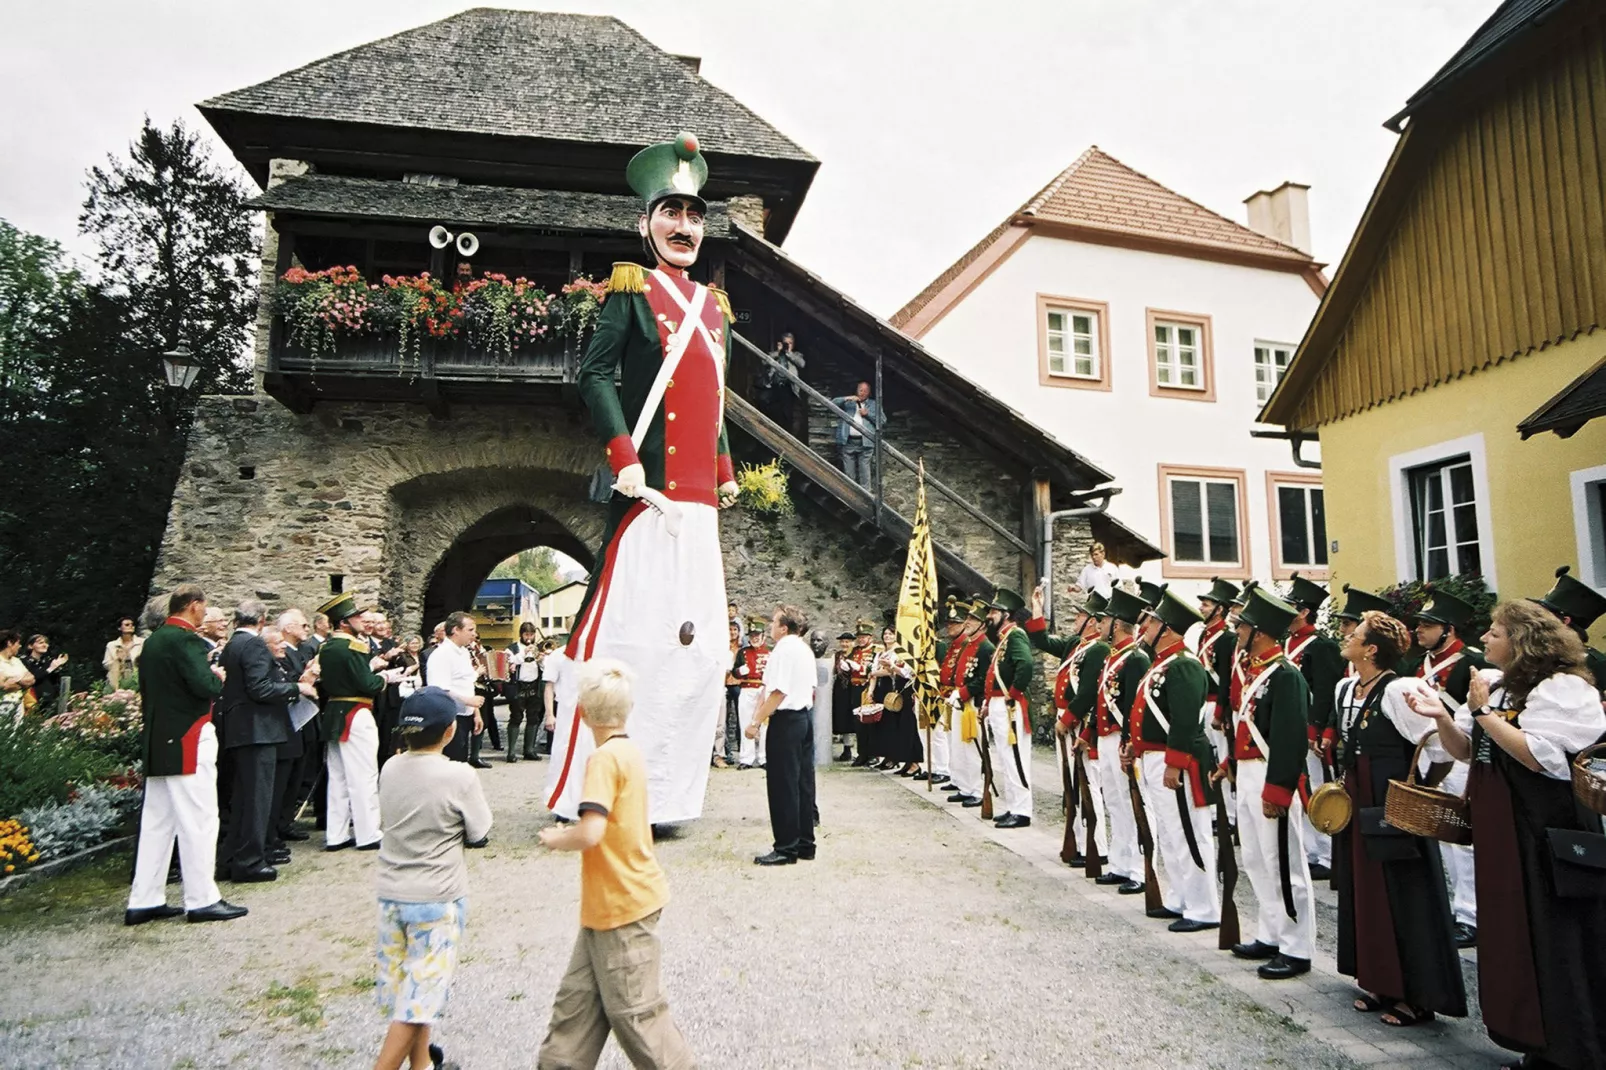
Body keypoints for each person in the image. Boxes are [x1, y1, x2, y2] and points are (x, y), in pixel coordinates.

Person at [560, 131, 736, 827]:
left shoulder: (715, 306)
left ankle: (666, 794)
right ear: (646, 224)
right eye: (671, 212)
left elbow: (714, 394)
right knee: (629, 646)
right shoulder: (631, 291)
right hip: (649, 498)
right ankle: (601, 790)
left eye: (694, 215)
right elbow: (595, 373)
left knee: (696, 655)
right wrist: (622, 453)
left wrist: (723, 467)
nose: (684, 226)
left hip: (700, 506)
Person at [1409, 601, 1606, 1069]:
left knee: (1556, 937)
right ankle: (1534, 1040)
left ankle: (1574, 1048)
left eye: (1495, 632)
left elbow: (1544, 759)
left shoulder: (1561, 688)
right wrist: (1441, 715)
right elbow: (1463, 750)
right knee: (1516, 934)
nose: (1486, 639)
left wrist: (1482, 715)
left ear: (1522, 641)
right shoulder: (1496, 687)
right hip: (1503, 832)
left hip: (1544, 830)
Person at [536, 659, 695, 1069]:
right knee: (577, 1006)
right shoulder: (628, 752)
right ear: (627, 711)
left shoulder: (603, 760)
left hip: (621, 903)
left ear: (583, 713)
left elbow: (590, 832)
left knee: (636, 1014)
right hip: (608, 904)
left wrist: (557, 838)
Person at [1329, 610, 1467, 1029]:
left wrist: (1421, 789)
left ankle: (1419, 996)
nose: (1348, 636)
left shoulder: (1400, 688)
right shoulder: (1347, 686)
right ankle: (1380, 980)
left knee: (1405, 891)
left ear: (1371, 649)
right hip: (1359, 795)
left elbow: (1439, 749)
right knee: (1367, 887)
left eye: (1357, 634)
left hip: (1391, 801)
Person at [373, 686, 492, 1070]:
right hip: (437, 895)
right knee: (420, 997)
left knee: (410, 988)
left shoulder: (390, 767)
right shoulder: (458, 775)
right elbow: (479, 829)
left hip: (392, 893)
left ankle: (422, 1064)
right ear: (449, 731)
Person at [125, 584, 245, 926]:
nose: (206, 615)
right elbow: (204, 686)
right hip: (189, 736)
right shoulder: (187, 641)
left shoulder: (153, 642)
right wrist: (216, 676)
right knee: (200, 820)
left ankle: (144, 899)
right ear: (193, 606)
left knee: (158, 823)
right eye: (204, 608)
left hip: (159, 736)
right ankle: (202, 898)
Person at [1223, 586, 1315, 980]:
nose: (1237, 630)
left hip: (1270, 772)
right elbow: (1246, 724)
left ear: (1258, 631)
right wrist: (1230, 761)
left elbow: (1290, 737)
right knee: (1256, 859)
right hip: (1247, 769)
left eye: (1243, 625)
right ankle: (1271, 932)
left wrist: (1277, 789)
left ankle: (1297, 947)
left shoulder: (1285, 676)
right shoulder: (1253, 669)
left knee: (1284, 863)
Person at [1131, 588, 1221, 933]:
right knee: (1170, 833)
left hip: (1177, 762)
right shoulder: (1163, 663)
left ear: (1165, 628)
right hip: (1155, 757)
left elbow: (1184, 720)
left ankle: (1203, 907)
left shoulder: (1183, 664)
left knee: (1188, 833)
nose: (1145, 628)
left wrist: (1175, 761)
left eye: (1151, 622)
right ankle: (1181, 897)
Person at [1407, 587, 1487, 948]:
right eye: (1419, 624)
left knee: (1461, 840)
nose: (1419, 631)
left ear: (1449, 629)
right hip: (1427, 754)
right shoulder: (1416, 665)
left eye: (1428, 625)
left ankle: (1470, 915)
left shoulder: (1475, 663)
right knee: (1435, 833)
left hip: (1460, 756)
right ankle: (1451, 906)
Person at [219, 601, 311, 883]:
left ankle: (231, 858)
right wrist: (297, 687)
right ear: (261, 620)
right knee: (257, 799)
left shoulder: (233, 644)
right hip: (258, 730)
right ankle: (250, 860)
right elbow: (260, 687)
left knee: (244, 798)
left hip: (241, 729)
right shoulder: (255, 645)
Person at [1030, 587, 1109, 863]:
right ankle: (1077, 842)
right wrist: (1037, 608)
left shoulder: (1099, 648)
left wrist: (1067, 719)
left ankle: (1096, 847)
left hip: (1078, 721)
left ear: (1092, 620)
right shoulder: (1075, 645)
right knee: (1071, 786)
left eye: (1080, 615)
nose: (1075, 619)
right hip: (1066, 720)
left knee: (1088, 783)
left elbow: (1088, 691)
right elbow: (1040, 640)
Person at [317, 594, 393, 852]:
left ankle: (335, 834)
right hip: (356, 711)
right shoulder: (354, 647)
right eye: (357, 616)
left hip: (334, 711)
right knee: (364, 775)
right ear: (345, 623)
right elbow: (367, 684)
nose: (362, 620)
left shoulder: (326, 647)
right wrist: (385, 677)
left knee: (337, 777)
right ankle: (368, 832)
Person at [1284, 573, 1345, 879]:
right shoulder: (1288, 642)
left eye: (1291, 606)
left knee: (1318, 788)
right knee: (1300, 788)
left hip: (1311, 730)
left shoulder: (1321, 645)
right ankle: (1311, 850)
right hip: (1290, 728)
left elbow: (1325, 690)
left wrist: (1318, 729)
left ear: (1304, 611)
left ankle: (1327, 853)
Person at [747, 606, 819, 866]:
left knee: (783, 785)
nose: (770, 627)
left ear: (784, 627)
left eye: (774, 622)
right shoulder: (804, 649)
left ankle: (786, 847)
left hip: (787, 720)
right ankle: (804, 843)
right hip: (804, 717)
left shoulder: (784, 649)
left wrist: (756, 722)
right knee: (802, 782)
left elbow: (778, 692)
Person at [1091, 589, 1151, 884]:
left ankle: (1140, 869)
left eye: (1103, 621)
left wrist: (1130, 742)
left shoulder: (1136, 659)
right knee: (1114, 801)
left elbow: (1133, 707)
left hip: (1122, 741)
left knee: (1133, 802)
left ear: (1116, 624)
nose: (1098, 626)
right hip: (1106, 738)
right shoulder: (1112, 657)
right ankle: (1119, 864)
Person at [982, 588, 1036, 829]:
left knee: (1016, 758)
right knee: (1005, 758)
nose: (989, 616)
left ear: (1006, 615)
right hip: (998, 703)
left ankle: (1022, 810)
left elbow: (1025, 665)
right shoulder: (1003, 638)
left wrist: (1012, 694)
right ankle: (1013, 806)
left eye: (994, 611)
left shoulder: (1016, 635)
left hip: (1009, 705)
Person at [943, 599, 995, 809]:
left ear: (983, 624)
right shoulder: (968, 643)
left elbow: (983, 678)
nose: (968, 622)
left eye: (974, 619)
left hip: (973, 702)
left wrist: (963, 692)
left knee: (973, 748)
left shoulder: (985, 646)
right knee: (959, 747)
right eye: (969, 618)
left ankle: (977, 789)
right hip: (960, 700)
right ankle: (964, 786)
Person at [426, 613, 486, 767]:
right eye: (470, 629)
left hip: (464, 714)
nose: (474, 634)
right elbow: (439, 689)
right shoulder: (441, 654)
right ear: (455, 630)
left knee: (460, 761)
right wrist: (468, 701)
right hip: (449, 716)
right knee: (451, 762)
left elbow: (467, 683)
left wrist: (475, 713)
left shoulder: (464, 652)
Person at [1534, 564, 1606, 692]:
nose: (1537, 621)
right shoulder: (1537, 655)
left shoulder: (1595, 663)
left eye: (1544, 616)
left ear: (1565, 621)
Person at [871, 624, 921, 776]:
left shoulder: (906, 652)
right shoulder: (896, 652)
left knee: (909, 728)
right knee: (901, 728)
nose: (888, 636)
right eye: (885, 633)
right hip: (899, 689)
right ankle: (907, 761)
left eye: (891, 634)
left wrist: (891, 667)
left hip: (909, 690)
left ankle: (915, 763)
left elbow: (908, 673)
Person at [542, 642, 585, 821]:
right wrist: (550, 714)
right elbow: (549, 687)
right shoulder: (558, 656)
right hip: (566, 713)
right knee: (562, 757)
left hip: (589, 713)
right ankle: (561, 804)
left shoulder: (595, 651)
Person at [732, 617, 771, 769]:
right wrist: (739, 671)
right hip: (747, 689)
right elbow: (734, 673)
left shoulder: (769, 653)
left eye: (757, 635)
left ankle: (764, 757)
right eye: (752, 636)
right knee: (745, 722)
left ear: (763, 637)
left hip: (763, 689)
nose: (754, 638)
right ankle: (746, 758)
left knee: (764, 725)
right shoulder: (743, 652)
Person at [831, 381, 883, 488]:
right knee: (849, 473)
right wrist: (847, 398)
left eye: (865, 391)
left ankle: (866, 497)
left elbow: (882, 421)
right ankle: (851, 495)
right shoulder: (848, 403)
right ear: (857, 390)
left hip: (866, 443)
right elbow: (832, 404)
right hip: (848, 441)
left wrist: (868, 414)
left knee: (865, 472)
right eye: (860, 390)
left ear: (869, 393)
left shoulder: (874, 404)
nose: (862, 393)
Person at [505, 622, 544, 764]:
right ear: (521, 634)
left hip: (534, 685)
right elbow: (510, 662)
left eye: (532, 634)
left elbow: (544, 668)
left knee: (533, 717)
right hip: (518, 686)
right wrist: (525, 652)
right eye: (526, 634)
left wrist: (541, 659)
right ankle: (511, 752)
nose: (529, 637)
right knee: (516, 717)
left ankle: (529, 750)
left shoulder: (538, 648)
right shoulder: (512, 649)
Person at [758, 332, 807, 431]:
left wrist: (789, 353)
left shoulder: (796, 355)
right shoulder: (774, 354)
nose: (787, 345)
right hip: (774, 386)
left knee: (787, 413)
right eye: (785, 343)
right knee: (766, 404)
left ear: (793, 344)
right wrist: (778, 352)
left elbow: (802, 364)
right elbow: (764, 361)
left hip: (789, 387)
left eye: (790, 343)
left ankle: (787, 432)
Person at [847, 620, 879, 767]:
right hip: (855, 687)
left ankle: (873, 753)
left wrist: (860, 668)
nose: (861, 640)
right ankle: (862, 753)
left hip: (867, 687)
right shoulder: (855, 651)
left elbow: (874, 668)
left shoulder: (875, 650)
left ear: (870, 637)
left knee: (870, 721)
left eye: (864, 637)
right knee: (858, 722)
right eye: (859, 637)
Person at [20, 635, 67, 712]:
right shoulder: (24, 661)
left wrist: (58, 668)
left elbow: (55, 682)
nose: (45, 645)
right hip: (33, 702)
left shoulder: (47, 662)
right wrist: (50, 669)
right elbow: (33, 679)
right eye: (40, 643)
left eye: (46, 643)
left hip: (49, 702)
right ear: (30, 646)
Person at [0, 630, 36, 719]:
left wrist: (14, 681)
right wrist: (23, 682)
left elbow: (32, 679)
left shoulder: (17, 661)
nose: (19, 646)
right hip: (3, 704)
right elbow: (3, 686)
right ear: (9, 643)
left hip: (19, 704)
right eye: (18, 643)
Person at [103, 616, 143, 690]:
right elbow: (106, 664)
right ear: (120, 628)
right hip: (118, 680)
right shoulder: (112, 645)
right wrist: (118, 659)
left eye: (132, 624)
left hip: (137, 678)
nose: (131, 626)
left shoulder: (142, 642)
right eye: (127, 625)